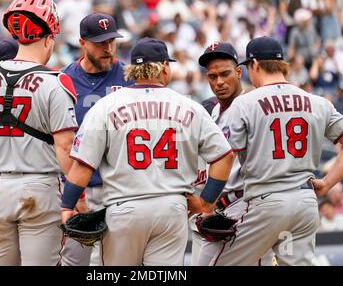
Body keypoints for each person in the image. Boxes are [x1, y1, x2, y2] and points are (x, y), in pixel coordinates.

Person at [61, 37, 234, 266]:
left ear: (133, 70)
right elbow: (224, 156)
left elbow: (82, 166)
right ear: (164, 67)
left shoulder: (106, 105)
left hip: (123, 209)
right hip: (171, 209)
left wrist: (67, 206)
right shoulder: (189, 106)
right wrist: (205, 202)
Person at [211, 36, 343, 266]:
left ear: (255, 65)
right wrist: (328, 182)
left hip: (265, 202)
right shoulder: (317, 101)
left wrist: (206, 203)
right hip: (304, 203)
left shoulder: (244, 103)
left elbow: (224, 155)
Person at [0, 0, 78, 266]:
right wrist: (75, 197)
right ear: (50, 38)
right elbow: (66, 148)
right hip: (40, 187)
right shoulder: (56, 81)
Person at [60, 12, 133, 266]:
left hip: (121, 189)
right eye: (100, 42)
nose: (108, 48)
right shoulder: (63, 81)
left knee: (117, 263)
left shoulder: (128, 78)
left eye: (111, 41)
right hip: (79, 187)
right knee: (74, 261)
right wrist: (73, 194)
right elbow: (58, 141)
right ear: (82, 43)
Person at [191, 42, 273, 266]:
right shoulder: (213, 111)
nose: (219, 82)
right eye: (212, 76)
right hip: (219, 208)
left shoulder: (254, 106)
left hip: (246, 204)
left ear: (239, 72)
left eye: (225, 74)